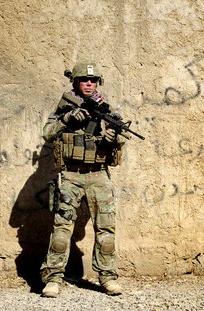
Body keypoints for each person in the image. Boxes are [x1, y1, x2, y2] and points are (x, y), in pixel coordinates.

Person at [40, 62, 126, 298]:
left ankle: (108, 277)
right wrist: (67, 119)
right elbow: (47, 133)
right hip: (71, 175)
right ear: (75, 82)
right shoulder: (65, 108)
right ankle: (53, 278)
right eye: (85, 80)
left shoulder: (104, 110)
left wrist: (113, 138)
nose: (90, 84)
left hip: (99, 175)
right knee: (61, 229)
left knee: (106, 230)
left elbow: (119, 144)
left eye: (93, 80)